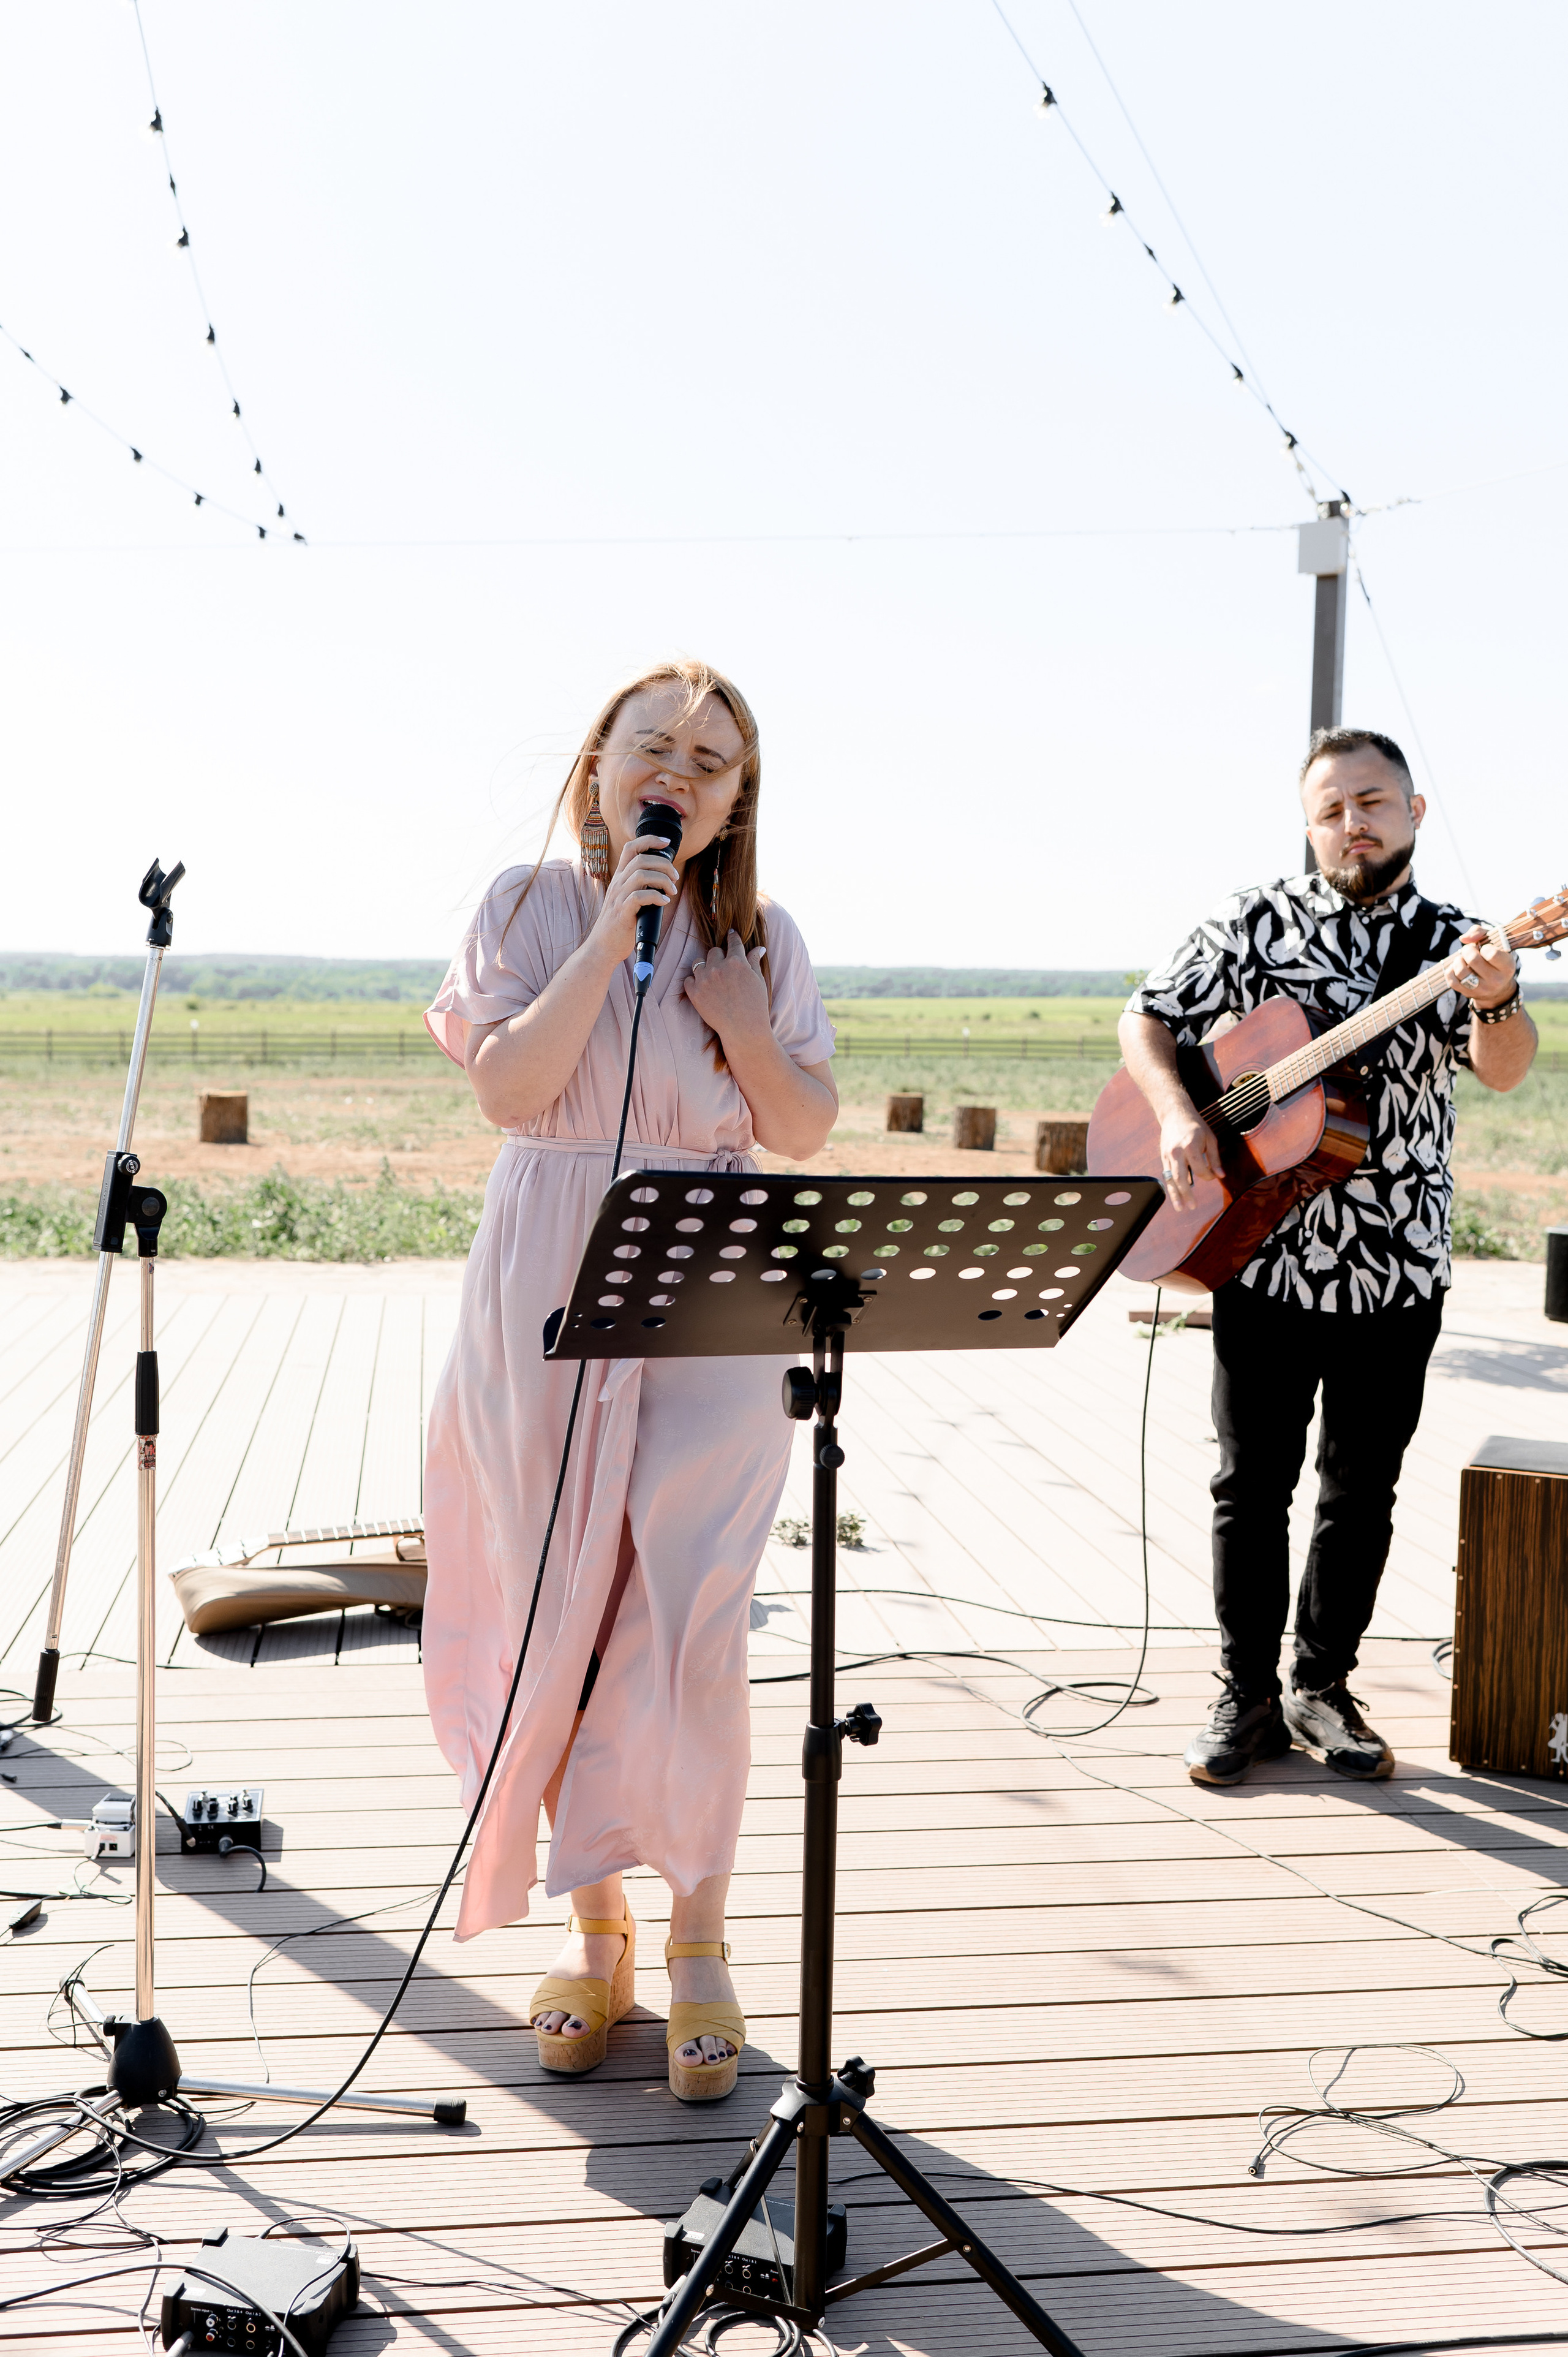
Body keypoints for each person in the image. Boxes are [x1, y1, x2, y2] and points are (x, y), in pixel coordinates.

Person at [421, 659, 837, 2098]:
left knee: (691, 1614)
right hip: (541, 1274)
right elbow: (505, 1089)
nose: (680, 772)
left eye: (712, 762)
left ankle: (697, 1933)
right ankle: (592, 1927)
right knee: (561, 1608)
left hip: (709, 1286)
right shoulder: (523, 907)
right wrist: (609, 937)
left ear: (736, 803)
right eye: (654, 746)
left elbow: (796, 1129)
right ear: (600, 761)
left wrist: (729, 1016)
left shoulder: (762, 940)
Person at [1119, 727, 1537, 1786]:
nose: (1354, 823)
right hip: (1259, 1253)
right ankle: (1244, 1693)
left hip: (1397, 1264)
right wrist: (1179, 1116)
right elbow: (1148, 1016)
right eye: (1333, 808)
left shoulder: (1456, 940)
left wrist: (1495, 997)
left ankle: (1322, 1686)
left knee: (1363, 1487)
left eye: (1374, 802)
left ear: (1414, 813)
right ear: (1310, 824)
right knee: (1248, 1485)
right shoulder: (1252, 921)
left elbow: (1503, 1070)